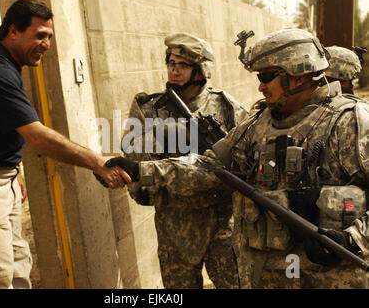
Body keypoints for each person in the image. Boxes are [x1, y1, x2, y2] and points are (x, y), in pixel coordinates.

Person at [105, 28, 369, 288]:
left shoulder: (352, 123)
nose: (260, 85)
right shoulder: (256, 125)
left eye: (267, 76)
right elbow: (210, 167)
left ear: (297, 76)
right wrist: (142, 170)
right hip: (269, 276)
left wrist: (353, 238)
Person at [0, 0, 131, 289]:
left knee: (17, 268)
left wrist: (14, 171)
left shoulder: (9, 66)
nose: (46, 44)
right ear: (13, 32)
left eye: (50, 37)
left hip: (2, 182)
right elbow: (37, 136)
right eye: (40, 35)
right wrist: (98, 163)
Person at [120, 33, 247, 288]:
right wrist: (142, 190)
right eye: (171, 64)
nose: (174, 71)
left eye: (183, 65)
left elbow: (244, 157)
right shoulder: (149, 108)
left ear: (201, 71)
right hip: (173, 223)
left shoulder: (226, 107)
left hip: (221, 221)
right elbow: (131, 153)